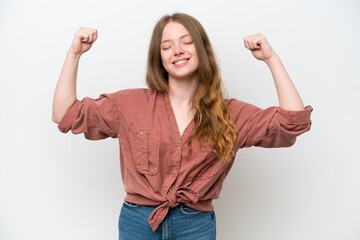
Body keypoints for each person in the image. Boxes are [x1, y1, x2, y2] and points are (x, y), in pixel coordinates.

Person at [52, 13, 312, 240]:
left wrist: (271, 58)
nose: (177, 50)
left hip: (196, 225)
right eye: (167, 46)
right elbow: (64, 114)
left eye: (187, 42)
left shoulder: (231, 113)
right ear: (159, 58)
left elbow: (292, 123)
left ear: (202, 49)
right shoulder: (129, 103)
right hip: (137, 223)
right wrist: (74, 54)